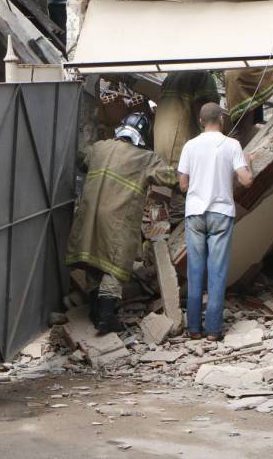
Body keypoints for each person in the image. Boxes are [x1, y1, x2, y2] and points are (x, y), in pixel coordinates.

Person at [66, 112, 177, 333]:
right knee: (114, 265)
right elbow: (171, 178)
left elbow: (80, 159)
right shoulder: (145, 158)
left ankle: (95, 311)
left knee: (93, 259)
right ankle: (107, 317)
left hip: (89, 216)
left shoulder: (99, 147)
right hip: (117, 221)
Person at [177, 102, 254, 341]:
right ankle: (213, 330)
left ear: (201, 121)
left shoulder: (190, 146)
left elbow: (183, 185)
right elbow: (247, 180)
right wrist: (248, 161)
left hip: (195, 214)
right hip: (221, 213)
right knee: (217, 272)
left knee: (195, 271)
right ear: (222, 120)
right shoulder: (232, 145)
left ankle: (193, 328)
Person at [153, 71, 219, 168]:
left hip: (160, 149)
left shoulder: (170, 78)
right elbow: (209, 116)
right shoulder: (202, 75)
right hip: (180, 151)